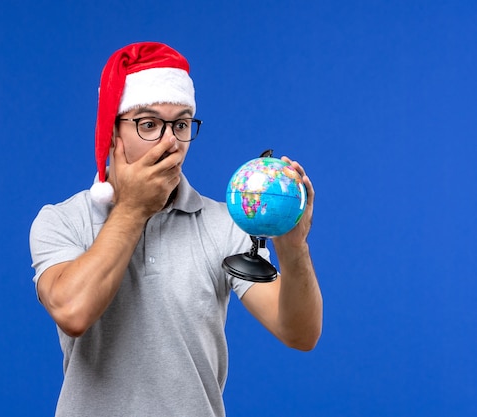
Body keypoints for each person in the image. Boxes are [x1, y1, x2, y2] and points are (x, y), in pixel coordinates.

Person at [29, 41, 322, 417]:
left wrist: (294, 249)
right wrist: (134, 208)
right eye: (149, 124)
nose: (171, 141)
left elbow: (299, 332)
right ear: (113, 133)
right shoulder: (62, 220)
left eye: (181, 124)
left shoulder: (224, 224)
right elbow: (73, 312)